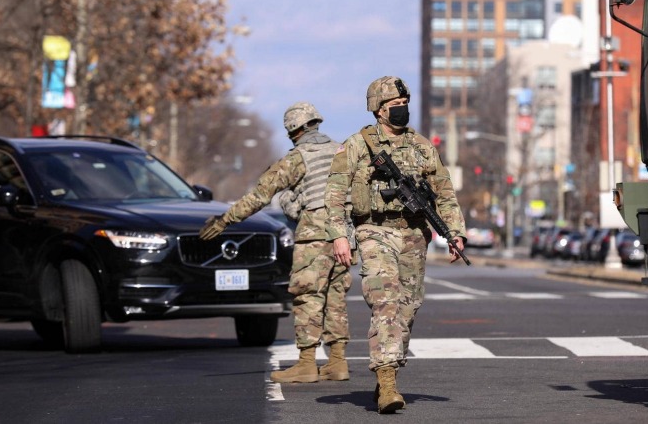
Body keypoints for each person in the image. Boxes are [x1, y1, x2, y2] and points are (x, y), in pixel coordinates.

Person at [323, 76, 466, 414]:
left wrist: (455, 233)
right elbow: (334, 193)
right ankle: (387, 382)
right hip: (374, 230)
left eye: (404, 105)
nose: (401, 111)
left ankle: (389, 369)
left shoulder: (422, 146)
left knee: (408, 307)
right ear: (378, 109)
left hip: (414, 235)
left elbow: (444, 192)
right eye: (394, 107)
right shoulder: (357, 145)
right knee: (385, 301)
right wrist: (339, 234)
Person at [199, 102, 351, 383]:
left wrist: (225, 220)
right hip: (344, 236)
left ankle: (306, 364)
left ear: (293, 130)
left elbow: (260, 194)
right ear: (316, 122)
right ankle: (338, 362)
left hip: (314, 236)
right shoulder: (342, 150)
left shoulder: (298, 157)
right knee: (335, 297)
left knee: (307, 295)